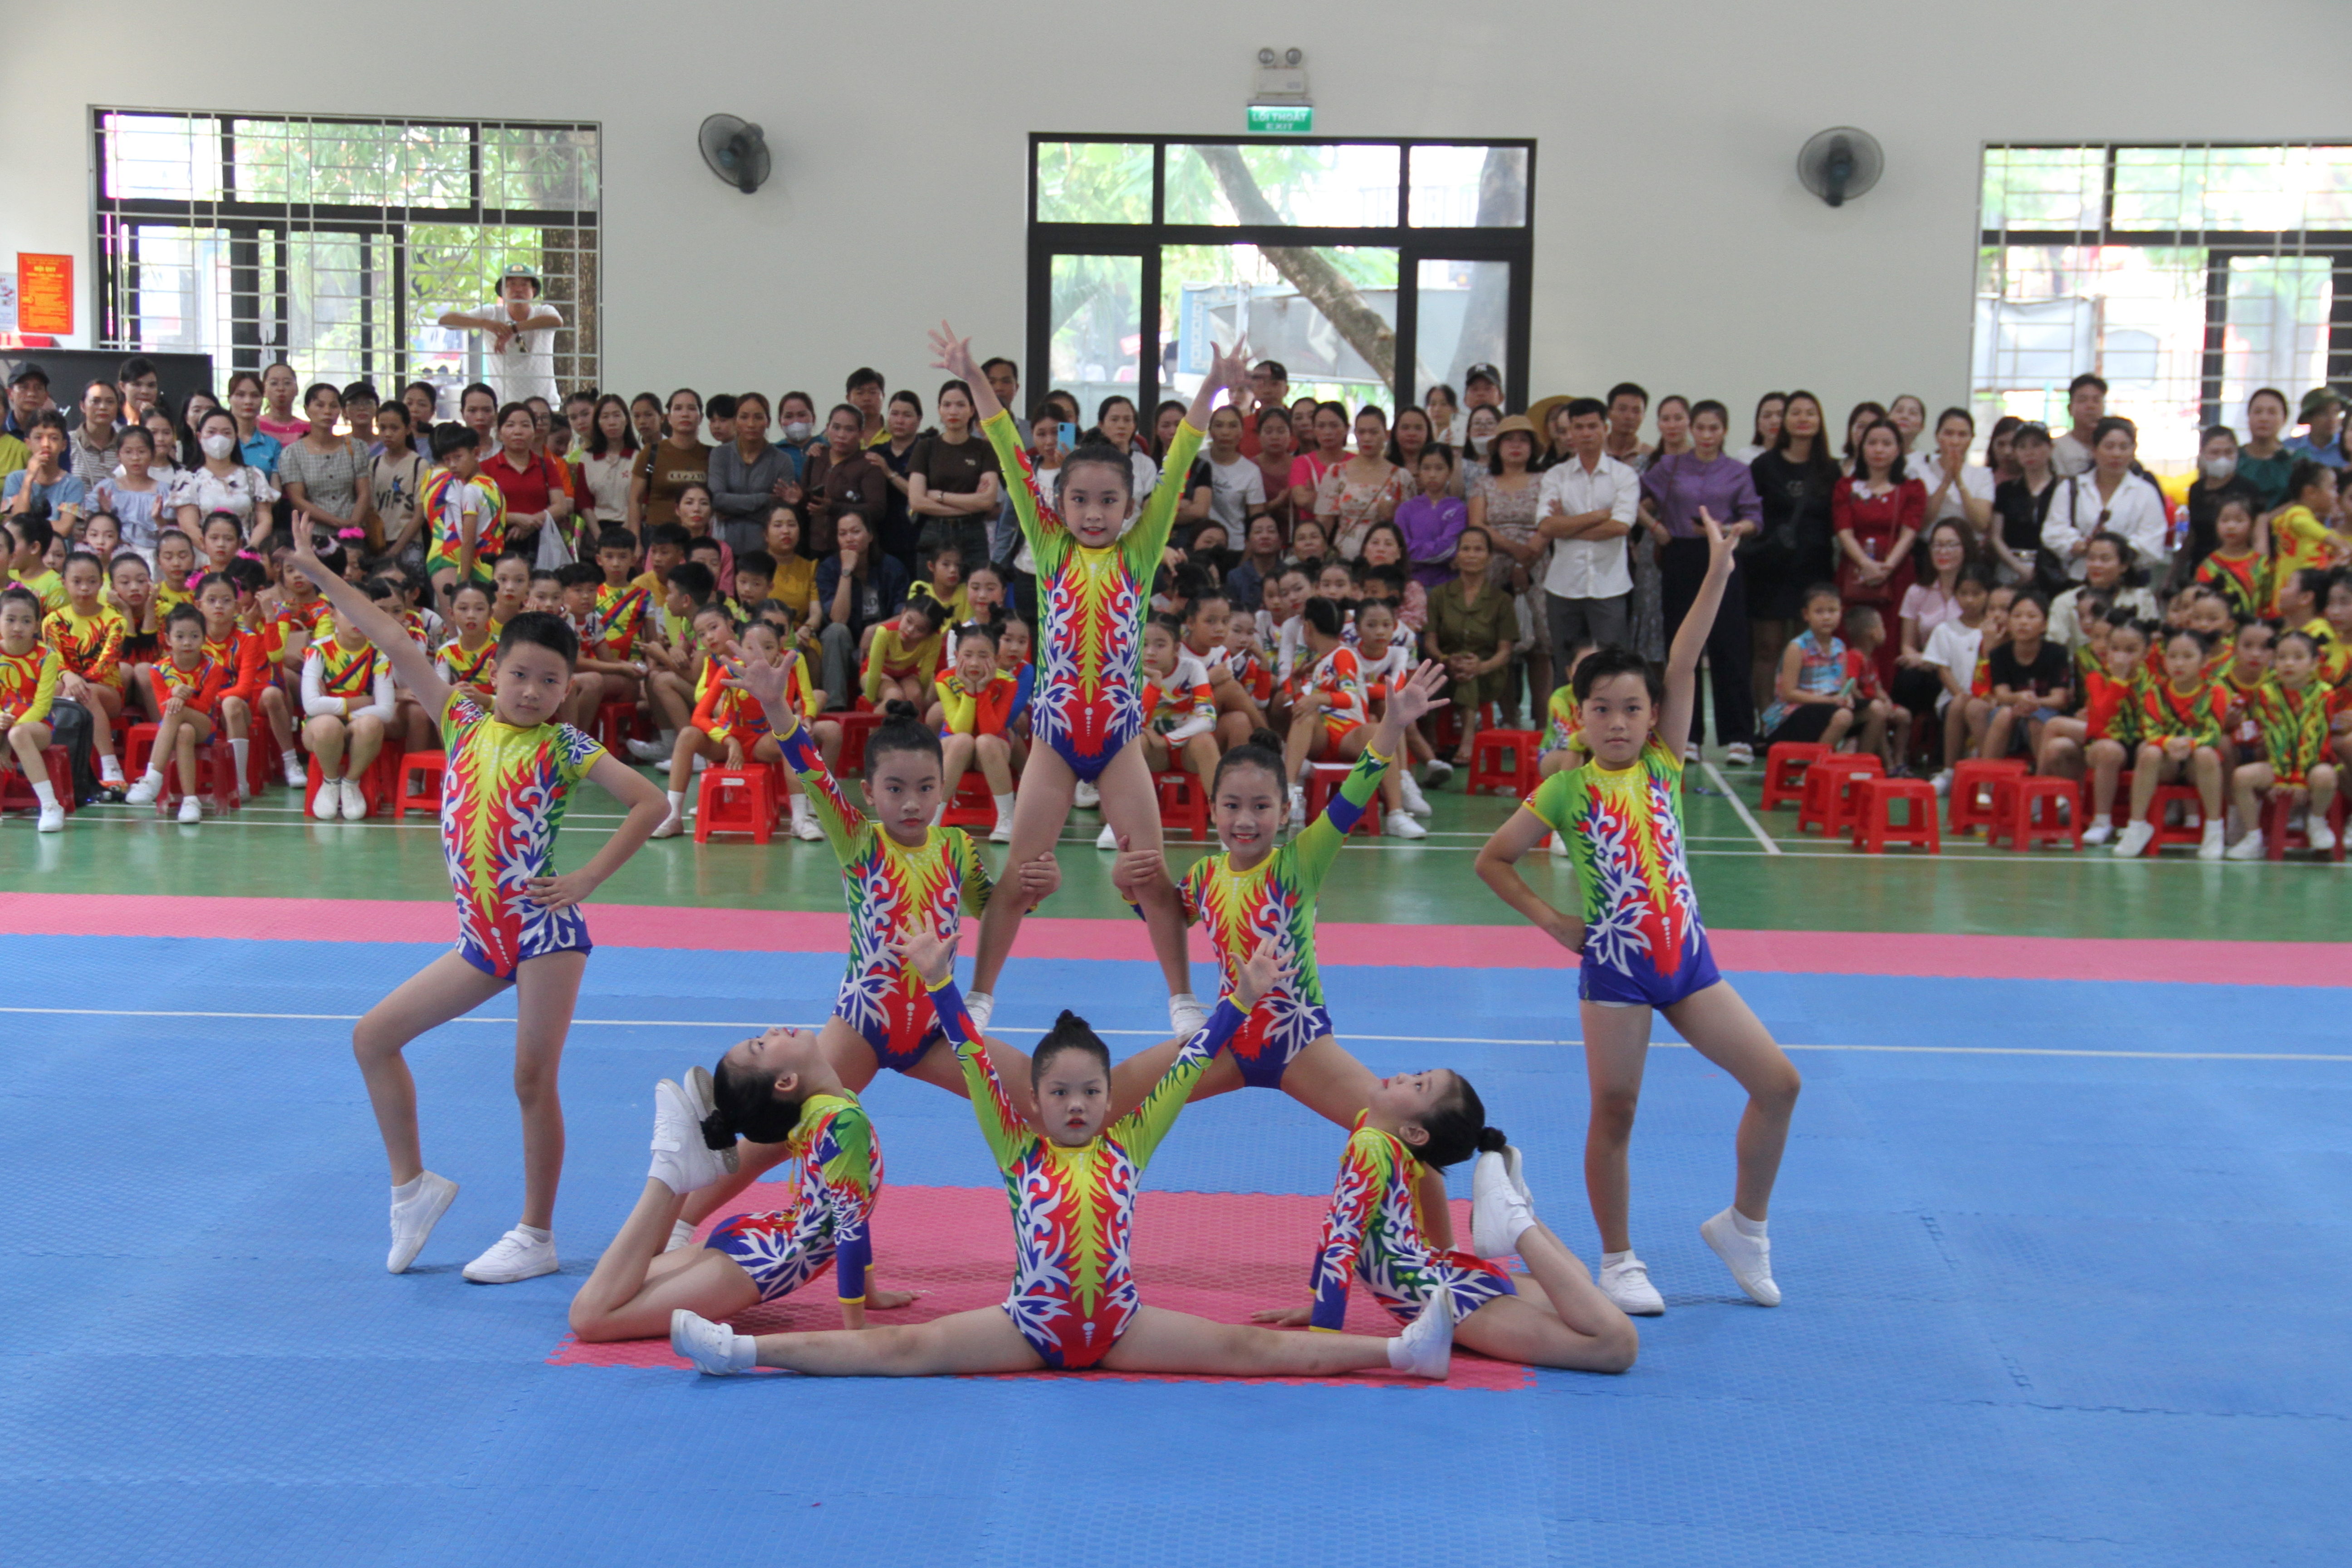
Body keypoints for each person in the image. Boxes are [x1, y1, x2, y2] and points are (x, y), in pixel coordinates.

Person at [669, 922, 1457, 1383]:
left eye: (1090, 1093)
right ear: (1035, 1103)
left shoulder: (1129, 1142)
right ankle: (738, 1351)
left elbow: (1188, 1066)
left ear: (1108, 1100)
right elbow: (974, 1058)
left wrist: (1243, 997)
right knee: (898, 1349)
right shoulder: (1015, 1148)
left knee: (1249, 1349)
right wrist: (940, 984)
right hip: (1027, 1326)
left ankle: (1401, 1349)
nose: (1077, 1106)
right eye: (1060, 1095)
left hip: (1121, 1324)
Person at [282, 527, 666, 1282]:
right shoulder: (461, 719)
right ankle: (412, 1188)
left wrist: (585, 879)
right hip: (480, 942)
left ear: (565, 690)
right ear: (494, 668)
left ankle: (536, 1233)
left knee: (530, 1079)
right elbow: (392, 638)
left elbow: (649, 802)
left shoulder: (563, 747)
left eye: (549, 682)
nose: (531, 691)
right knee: (372, 1038)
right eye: (520, 674)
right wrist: (316, 572)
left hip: (545, 935)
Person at [1475, 508, 1798, 1316]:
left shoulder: (1661, 764)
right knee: (1614, 1109)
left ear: (1652, 717)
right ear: (1575, 719)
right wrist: (1553, 922)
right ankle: (1617, 1258)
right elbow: (1490, 860)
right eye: (1601, 711)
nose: (1617, 722)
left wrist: (1718, 571)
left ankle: (1743, 1227)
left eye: (1630, 708)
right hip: (1614, 970)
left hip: (1687, 963)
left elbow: (1683, 659)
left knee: (1778, 1083)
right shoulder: (1565, 787)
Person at [939, 322, 1242, 1039]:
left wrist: (1211, 386)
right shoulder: (1047, 545)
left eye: (1110, 501)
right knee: (1021, 872)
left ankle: (1181, 999)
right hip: (1052, 741)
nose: (1095, 514)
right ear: (1059, 503)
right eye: (1080, 501)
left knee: (1149, 875)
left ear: (1131, 506)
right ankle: (980, 995)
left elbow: (1178, 460)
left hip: (1115, 742)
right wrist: (974, 375)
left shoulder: (1139, 550)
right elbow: (1011, 454)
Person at [1111, 659, 1447, 1126]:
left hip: (1302, 1045)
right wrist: (1130, 890)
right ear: (1212, 809)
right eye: (1231, 806)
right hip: (1227, 1040)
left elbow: (1353, 796)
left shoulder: (1300, 862)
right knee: (1106, 1101)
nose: (1245, 820)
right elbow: (1165, 919)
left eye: (1261, 806)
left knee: (1399, 1132)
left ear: (1285, 809)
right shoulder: (1205, 874)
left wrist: (1391, 726)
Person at [1251, 1076, 1638, 1374]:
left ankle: (1517, 1224)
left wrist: (1326, 1327)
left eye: (1419, 1085)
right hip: (1446, 1274)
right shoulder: (1384, 1143)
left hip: (1444, 1298)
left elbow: (1343, 1237)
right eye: (1416, 1077)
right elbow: (1340, 1225)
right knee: (1585, 1296)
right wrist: (1318, 1301)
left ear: (1416, 1133)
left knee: (1615, 1346)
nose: (1402, 1076)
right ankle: (1518, 1207)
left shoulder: (1371, 1145)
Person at [1641, 401, 1761, 761]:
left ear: (1725, 431)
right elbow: (1632, 499)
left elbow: (1755, 517)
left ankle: (1739, 735)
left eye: (1715, 429)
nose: (1707, 436)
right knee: (1682, 646)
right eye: (1701, 428)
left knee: (1729, 645)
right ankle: (1686, 735)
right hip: (1681, 557)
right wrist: (1657, 528)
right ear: (1691, 429)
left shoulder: (1738, 471)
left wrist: (1729, 529)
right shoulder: (1670, 466)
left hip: (1722, 553)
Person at [1747, 390, 1840, 709]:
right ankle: (1766, 723)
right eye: (1796, 412)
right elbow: (1751, 516)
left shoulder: (1831, 469)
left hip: (1814, 570)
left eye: (1810, 413)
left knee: (1808, 648)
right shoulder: (1763, 466)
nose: (1803, 419)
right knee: (1767, 649)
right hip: (1770, 570)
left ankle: (1803, 718)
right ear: (1785, 420)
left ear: (1819, 421)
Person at [1536, 396, 1638, 672]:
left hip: (1610, 586)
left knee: (1612, 670)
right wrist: (1597, 516)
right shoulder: (1556, 476)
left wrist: (1567, 525)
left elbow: (1621, 527)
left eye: (1592, 426)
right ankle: (1564, 719)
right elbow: (1546, 527)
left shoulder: (1624, 475)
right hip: (1563, 586)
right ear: (1570, 432)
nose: (1585, 433)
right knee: (1565, 668)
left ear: (1605, 428)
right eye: (1578, 427)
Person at [2114, 626, 2231, 859]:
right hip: (2168, 762)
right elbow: (2151, 730)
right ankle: (2137, 825)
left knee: (2207, 754)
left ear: (2205, 660)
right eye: (2173, 656)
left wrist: (2189, 744)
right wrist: (2168, 743)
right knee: (2149, 753)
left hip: (2197, 764)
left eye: (2188, 657)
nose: (2179, 663)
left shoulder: (2216, 691)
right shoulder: (2155, 691)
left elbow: (2214, 733)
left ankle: (2214, 828)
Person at [2227, 628, 2339, 858]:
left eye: (2298, 658)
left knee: (2326, 776)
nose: (2289, 664)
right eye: (2282, 657)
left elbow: (2314, 738)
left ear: (2314, 663)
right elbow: (2275, 737)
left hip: (2313, 762)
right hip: (2279, 763)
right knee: (2241, 777)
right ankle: (2253, 836)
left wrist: (2297, 779)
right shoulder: (2267, 693)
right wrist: (2282, 776)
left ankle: (2316, 819)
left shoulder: (2325, 694)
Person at [1832, 418, 1924, 698]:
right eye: (1872, 443)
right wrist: (1866, 564)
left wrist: (1886, 568)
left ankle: (1889, 706)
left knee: (1891, 639)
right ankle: (1854, 700)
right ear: (1862, 447)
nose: (1879, 450)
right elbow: (1844, 531)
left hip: (1897, 576)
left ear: (1899, 449)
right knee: (1852, 638)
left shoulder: (1912, 488)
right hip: (1855, 573)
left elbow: (1910, 532)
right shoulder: (1846, 487)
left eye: (1887, 443)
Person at [1468, 413, 1548, 716]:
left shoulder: (1545, 481)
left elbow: (1549, 524)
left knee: (1540, 649)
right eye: (1509, 440)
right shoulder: (1483, 483)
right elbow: (1477, 524)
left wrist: (1526, 560)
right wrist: (1517, 551)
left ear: (1533, 448)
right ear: (1498, 447)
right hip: (1494, 568)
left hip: (1537, 567)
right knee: (1500, 646)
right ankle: (1509, 718)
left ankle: (1543, 725)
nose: (1516, 446)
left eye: (1523, 440)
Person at [1421, 526, 1515, 772]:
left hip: (1488, 674)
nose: (1472, 555)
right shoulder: (1440, 595)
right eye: (1466, 549)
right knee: (1446, 669)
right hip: (1445, 666)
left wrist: (1481, 667)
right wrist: (1444, 658)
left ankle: (1468, 737)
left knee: (1468, 671)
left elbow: (1505, 651)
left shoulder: (1501, 600)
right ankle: (1430, 735)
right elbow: (1430, 641)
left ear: (1489, 557)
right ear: (1457, 555)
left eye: (1479, 549)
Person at [43, 550, 132, 797]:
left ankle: (111, 768)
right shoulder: (53, 621)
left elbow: (106, 663)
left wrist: (76, 682)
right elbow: (53, 660)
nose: (85, 588)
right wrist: (68, 678)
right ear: (64, 583)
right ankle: (54, 769)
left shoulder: (114, 620)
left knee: (87, 693)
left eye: (92, 582)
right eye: (77, 582)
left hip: (106, 692)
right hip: (67, 686)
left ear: (101, 583)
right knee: (55, 691)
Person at [906, 380, 1003, 572]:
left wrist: (940, 496)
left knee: (975, 596)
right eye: (947, 405)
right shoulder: (926, 447)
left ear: (972, 410)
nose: (953, 411)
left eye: (961, 405)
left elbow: (987, 502)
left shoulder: (984, 449)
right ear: (939, 409)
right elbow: (917, 502)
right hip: (934, 531)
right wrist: (968, 506)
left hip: (973, 533)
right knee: (930, 599)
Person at [436, 264, 562, 405]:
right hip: (504, 405)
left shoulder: (543, 312)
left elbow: (556, 321)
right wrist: (486, 324)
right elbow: (446, 321)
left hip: (544, 403)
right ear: (502, 291)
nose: (518, 289)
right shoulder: (492, 314)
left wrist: (513, 329)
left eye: (525, 285)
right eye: (512, 285)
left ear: (534, 291)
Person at [1978, 591, 2073, 771]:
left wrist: (2035, 702)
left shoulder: (2057, 653)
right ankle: (1986, 783)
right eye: (2017, 616)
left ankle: (2041, 783)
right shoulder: (1999, 654)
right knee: (2004, 713)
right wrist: (2019, 699)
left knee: (2037, 721)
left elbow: (2060, 700)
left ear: (2044, 625)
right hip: (2012, 713)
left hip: (2044, 713)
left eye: (2032, 617)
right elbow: (2002, 695)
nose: (2023, 622)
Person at [277, 383, 375, 556]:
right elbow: (298, 500)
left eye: (333, 406)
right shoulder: (292, 454)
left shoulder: (356, 447)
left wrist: (353, 524)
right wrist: (338, 523)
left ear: (341, 411)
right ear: (307, 409)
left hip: (354, 538)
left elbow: (364, 493)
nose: (327, 411)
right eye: (320, 405)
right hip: (315, 537)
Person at [1757, 584, 1857, 750]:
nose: (1826, 617)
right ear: (1806, 614)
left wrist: (1847, 697)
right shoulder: (1797, 647)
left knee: (1876, 711)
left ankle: (1874, 768)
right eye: (1819, 612)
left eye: (1832, 611)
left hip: (1828, 706)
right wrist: (1830, 701)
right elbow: (1789, 694)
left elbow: (1842, 687)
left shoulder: (1840, 647)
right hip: (1792, 716)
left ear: (1841, 611)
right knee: (1843, 717)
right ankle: (1814, 768)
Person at [0, 585, 66, 830]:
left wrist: (9, 733)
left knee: (19, 734)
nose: (18, 628)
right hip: (3, 721)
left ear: (38, 625)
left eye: (26, 621)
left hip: (37, 726)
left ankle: (50, 806)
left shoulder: (47, 656)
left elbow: (42, 705)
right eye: (10, 620)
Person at [420, 423, 504, 610]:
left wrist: (463, 582)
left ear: (476, 453)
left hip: (465, 562)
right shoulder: (492, 485)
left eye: (457, 457)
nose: (453, 465)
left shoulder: (466, 489)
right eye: (448, 459)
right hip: (489, 564)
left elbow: (467, 538)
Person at [169, 408, 278, 552]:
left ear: (236, 437)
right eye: (212, 432)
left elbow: (265, 520)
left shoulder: (254, 476)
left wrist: (248, 551)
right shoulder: (188, 479)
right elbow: (188, 526)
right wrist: (217, 553)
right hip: (205, 558)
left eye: (226, 433)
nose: (219, 438)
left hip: (245, 558)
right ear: (200, 437)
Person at [1315, 406, 1408, 560]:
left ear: (1386, 435)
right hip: (1344, 555)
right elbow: (1324, 522)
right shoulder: (1337, 473)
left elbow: (1407, 526)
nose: (1367, 438)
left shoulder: (1401, 477)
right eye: (1361, 432)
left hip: (1384, 556)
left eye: (1373, 432)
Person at [2180, 425, 2263, 577]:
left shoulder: (2248, 489)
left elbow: (2259, 538)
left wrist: (2257, 574)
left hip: (2237, 571)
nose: (2222, 458)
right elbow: (2192, 534)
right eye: (2215, 453)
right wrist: (2174, 572)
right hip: (2202, 569)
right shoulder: (2196, 490)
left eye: (2228, 452)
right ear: (2203, 454)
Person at [630, 388, 709, 533]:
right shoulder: (651, 452)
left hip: (699, 536)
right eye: (678, 409)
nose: (685, 414)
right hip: (658, 537)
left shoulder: (711, 454)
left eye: (692, 408)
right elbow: (635, 500)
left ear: (701, 417)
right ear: (669, 418)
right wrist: (636, 541)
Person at [3, 414, 88, 524]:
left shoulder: (73, 484)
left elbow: (64, 528)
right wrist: (29, 478)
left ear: (64, 445)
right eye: (38, 438)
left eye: (54, 438)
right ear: (28, 443)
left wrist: (31, 526)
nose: (46, 444)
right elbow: (19, 522)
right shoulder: (15, 479)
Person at [578, 395, 641, 534]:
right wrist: (600, 537)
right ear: (598, 423)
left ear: (626, 420)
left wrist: (624, 532)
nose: (612, 422)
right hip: (598, 530)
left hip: (632, 530)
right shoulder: (587, 459)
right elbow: (584, 503)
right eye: (605, 417)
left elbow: (643, 501)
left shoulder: (639, 457)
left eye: (617, 415)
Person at [2237, 388, 2298, 509]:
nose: (2264, 418)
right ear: (2248, 417)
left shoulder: (2295, 461)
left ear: (2284, 419)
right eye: (2258, 412)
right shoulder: (2234, 458)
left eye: (2272, 412)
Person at [2050, 373, 2107, 477]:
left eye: (2096, 400)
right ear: (2070, 409)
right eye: (2083, 400)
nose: (2091, 406)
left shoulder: (2111, 448)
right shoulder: (2055, 448)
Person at [2285, 386, 2345, 468]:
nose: (2333, 419)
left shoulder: (2347, 448)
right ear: (2308, 418)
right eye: (2323, 413)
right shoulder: (2290, 448)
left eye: (2337, 413)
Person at [1730, 392, 1786, 466]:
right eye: (1767, 416)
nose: (1774, 421)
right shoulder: (1745, 456)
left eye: (1781, 415)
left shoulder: (1799, 456)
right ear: (1758, 423)